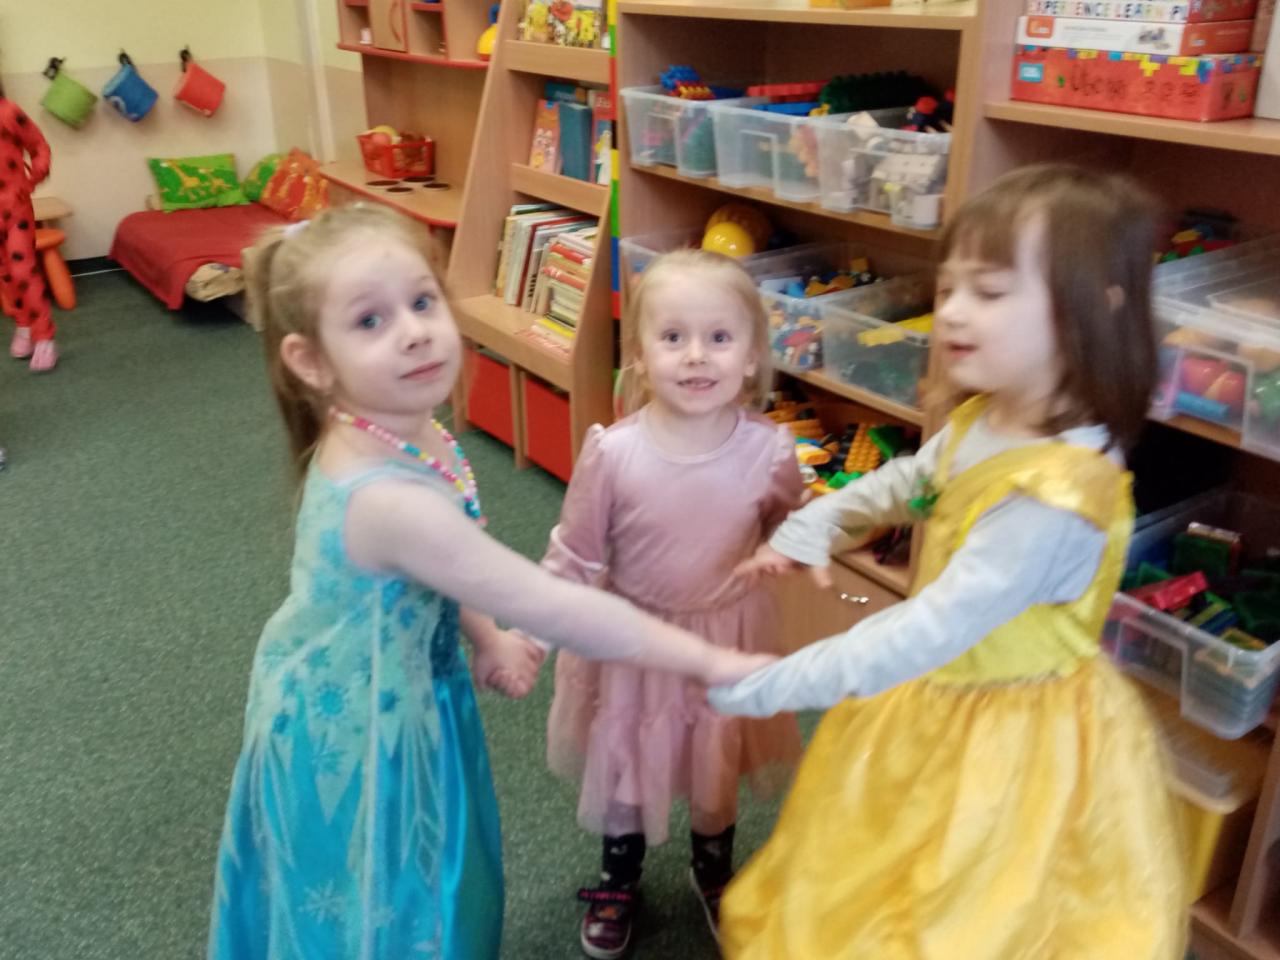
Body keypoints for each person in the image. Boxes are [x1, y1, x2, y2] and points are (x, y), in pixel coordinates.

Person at [206, 205, 773, 960]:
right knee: (377, 900)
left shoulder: (406, 427)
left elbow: (447, 568)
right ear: (311, 363)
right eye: (370, 321)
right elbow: (548, 601)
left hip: (403, 686)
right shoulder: (388, 500)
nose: (414, 332)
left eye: (422, 301)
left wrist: (487, 638)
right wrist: (707, 658)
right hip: (359, 725)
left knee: (431, 872)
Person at [714, 163, 1188, 959]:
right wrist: (816, 525)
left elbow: (935, 626)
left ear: (1092, 310)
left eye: (990, 291)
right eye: (950, 288)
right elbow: (914, 482)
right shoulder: (983, 417)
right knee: (883, 872)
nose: (953, 312)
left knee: (971, 910)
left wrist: (775, 682)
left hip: (1011, 739)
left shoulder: (1056, 497)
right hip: (937, 697)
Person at [538, 249, 805, 959]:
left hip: (727, 634)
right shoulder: (613, 452)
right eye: (673, 336)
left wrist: (790, 546)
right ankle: (618, 879)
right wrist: (533, 628)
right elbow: (575, 551)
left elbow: (791, 522)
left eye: (719, 337)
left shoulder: (771, 450)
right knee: (628, 762)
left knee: (714, 765)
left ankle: (712, 872)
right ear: (639, 354)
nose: (696, 356)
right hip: (634, 640)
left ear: (751, 356)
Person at [0, 81, 56, 372]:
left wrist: (33, 177)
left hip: (15, 208)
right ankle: (23, 325)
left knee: (23, 270)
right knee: (6, 275)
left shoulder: (8, 112)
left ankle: (44, 336)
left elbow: (39, 146)